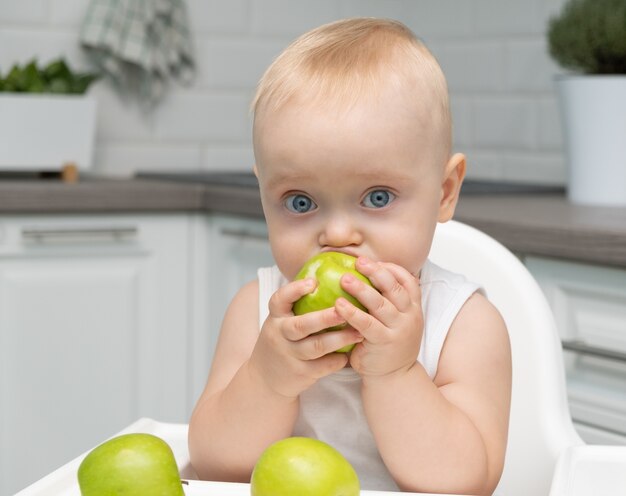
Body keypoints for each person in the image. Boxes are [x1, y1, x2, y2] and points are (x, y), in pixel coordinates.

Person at [188, 17, 511, 495]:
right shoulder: (258, 311)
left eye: (377, 197)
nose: (336, 234)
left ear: (444, 192)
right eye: (300, 202)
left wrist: (397, 373)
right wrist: (267, 379)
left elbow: (468, 482)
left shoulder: (464, 324)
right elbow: (214, 465)